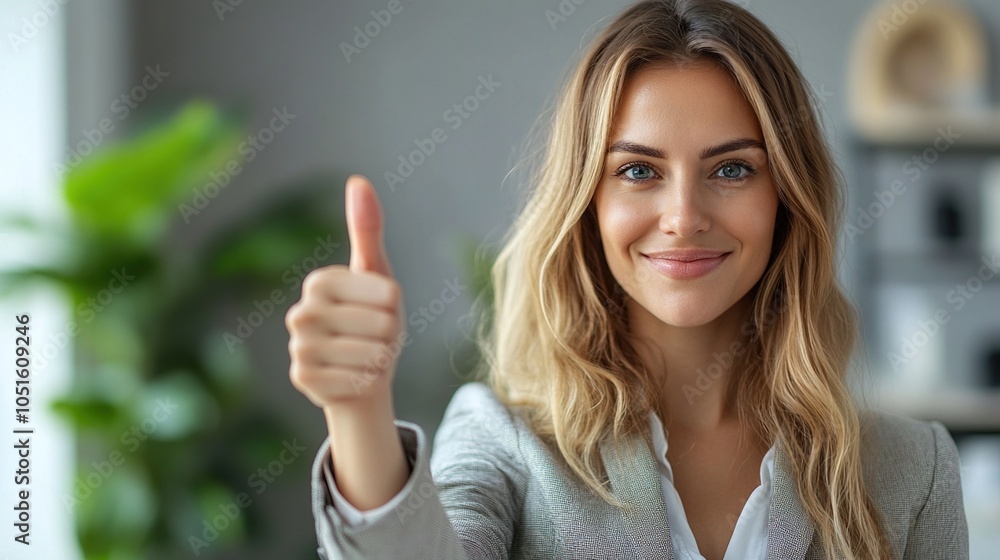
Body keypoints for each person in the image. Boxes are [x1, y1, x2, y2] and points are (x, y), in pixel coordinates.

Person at [285, 1, 969, 558]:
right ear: (589, 205)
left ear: (787, 199)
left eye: (732, 169)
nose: (683, 217)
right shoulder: (504, 444)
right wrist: (358, 414)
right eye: (638, 171)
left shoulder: (912, 468)